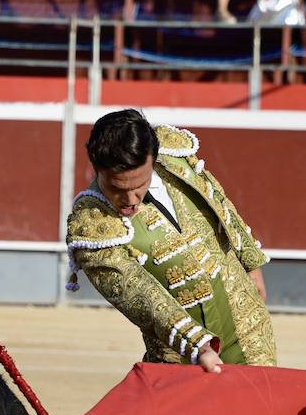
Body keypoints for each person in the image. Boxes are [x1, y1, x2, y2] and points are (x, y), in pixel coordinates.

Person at [66, 108, 275, 371]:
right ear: (96, 169)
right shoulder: (92, 223)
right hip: (181, 356)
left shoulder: (176, 159)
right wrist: (197, 345)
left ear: (153, 160)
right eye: (117, 188)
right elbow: (140, 295)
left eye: (139, 184)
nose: (130, 200)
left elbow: (218, 201)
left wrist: (252, 264)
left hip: (247, 325)